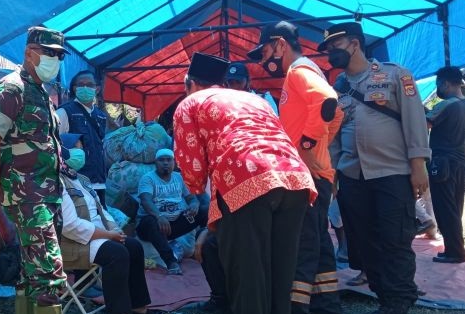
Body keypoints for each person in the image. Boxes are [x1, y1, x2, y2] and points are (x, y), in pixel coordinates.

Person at [175, 52, 316, 314]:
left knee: (248, 273)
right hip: (295, 177)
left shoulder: (191, 102)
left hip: (245, 179)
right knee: (281, 272)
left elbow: (192, 167)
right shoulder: (255, 99)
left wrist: (196, 190)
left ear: (189, 83)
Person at [320, 22, 430, 314]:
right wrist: (331, 173)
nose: (331, 54)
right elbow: (332, 136)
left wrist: (418, 163)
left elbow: (414, 119)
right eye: (328, 50)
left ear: (355, 44)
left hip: (392, 171)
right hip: (352, 175)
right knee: (364, 242)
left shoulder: (395, 75)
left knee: (394, 239)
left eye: (336, 47)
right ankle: (384, 293)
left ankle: (398, 300)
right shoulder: (336, 89)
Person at [248, 21, 342, 314]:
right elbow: (336, 116)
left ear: (280, 44)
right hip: (316, 172)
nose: (264, 61)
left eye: (265, 52)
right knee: (319, 242)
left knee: (303, 243)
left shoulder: (300, 71)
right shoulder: (303, 71)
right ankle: (327, 304)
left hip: (309, 175)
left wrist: (308, 148)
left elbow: (328, 102)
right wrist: (320, 148)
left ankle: (297, 306)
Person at [0, 26, 68, 313]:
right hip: (25, 193)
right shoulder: (11, 88)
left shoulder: (41, 92)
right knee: (47, 273)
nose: (55, 60)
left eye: (59, 55)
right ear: (29, 53)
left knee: (32, 270)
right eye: (49, 53)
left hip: (46, 193)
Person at [59, 132, 153, 314]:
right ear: (63, 152)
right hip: (75, 242)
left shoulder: (82, 180)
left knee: (133, 246)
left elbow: (102, 211)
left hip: (99, 236)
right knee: (117, 253)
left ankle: (138, 307)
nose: (81, 152)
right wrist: (108, 235)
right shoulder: (58, 183)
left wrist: (115, 230)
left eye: (80, 147)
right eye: (76, 148)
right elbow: (70, 226)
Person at [427, 66, 465, 263]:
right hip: (462, 162)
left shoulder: (447, 104)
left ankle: (455, 253)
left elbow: (424, 122)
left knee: (445, 209)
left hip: (443, 163)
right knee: (455, 208)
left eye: (439, 84)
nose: (438, 88)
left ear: (446, 83)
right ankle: (454, 248)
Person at [135, 148, 207, 276]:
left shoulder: (179, 178)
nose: (165, 163)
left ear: (174, 162)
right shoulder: (148, 179)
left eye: (169, 160)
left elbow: (191, 198)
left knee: (204, 211)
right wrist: (159, 216)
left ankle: (204, 250)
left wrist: (194, 205)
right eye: (161, 160)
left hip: (173, 225)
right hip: (151, 226)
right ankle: (170, 261)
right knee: (151, 221)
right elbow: (146, 201)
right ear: (155, 163)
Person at [56, 71, 109, 205]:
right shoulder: (64, 112)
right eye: (81, 84)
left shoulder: (101, 116)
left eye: (89, 84)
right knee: (84, 222)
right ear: (74, 88)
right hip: (76, 183)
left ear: (97, 88)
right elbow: (54, 143)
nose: (85, 88)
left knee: (102, 221)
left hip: (99, 182)